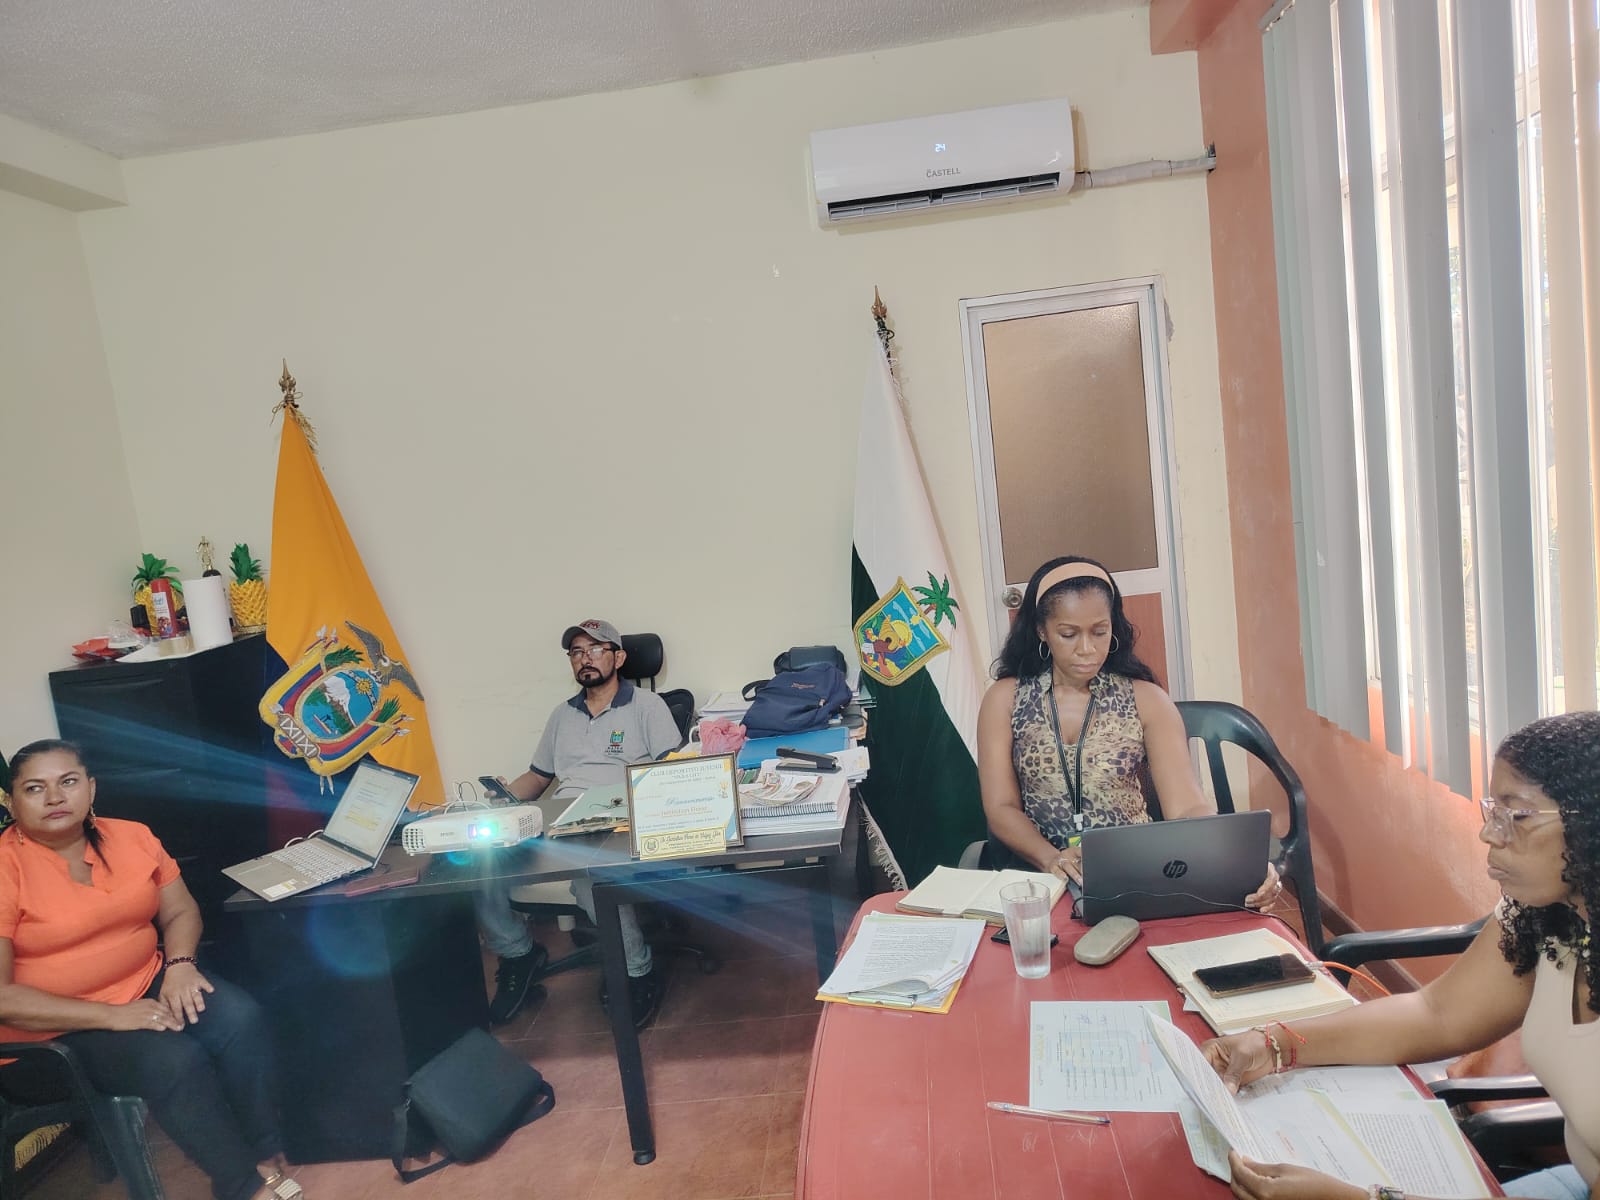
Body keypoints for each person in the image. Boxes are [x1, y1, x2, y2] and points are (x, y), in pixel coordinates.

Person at [1202, 711, 1599, 1200]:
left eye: (1516, 815)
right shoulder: (1555, 915)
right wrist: (1272, 1044)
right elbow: (1438, 1013)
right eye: (1492, 810)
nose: (1489, 835)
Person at [0, 740, 302, 1200]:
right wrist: (113, 1015)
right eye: (35, 788)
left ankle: (264, 1153)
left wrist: (179, 966)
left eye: (68, 782)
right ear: (10, 801)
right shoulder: (5, 867)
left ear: (91, 787)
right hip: (45, 1038)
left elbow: (180, 912)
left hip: (145, 983)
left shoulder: (132, 836)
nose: (55, 797)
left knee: (240, 1018)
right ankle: (241, 1186)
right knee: (173, 1060)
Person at [976, 555, 1278, 906]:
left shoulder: (1146, 699)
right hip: (1037, 877)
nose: (1087, 649)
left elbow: (1187, 807)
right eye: (1068, 634)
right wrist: (1051, 858)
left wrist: (1241, 862)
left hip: (1133, 874)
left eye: (1099, 632)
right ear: (1042, 631)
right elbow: (1001, 807)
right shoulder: (1006, 699)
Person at [474, 618, 683, 1027]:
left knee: (591, 875)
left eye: (596, 650)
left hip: (620, 821)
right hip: (562, 821)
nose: (585, 659)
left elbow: (671, 772)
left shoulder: (647, 707)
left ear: (618, 658)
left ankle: (635, 970)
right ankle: (519, 954)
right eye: (576, 652)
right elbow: (538, 777)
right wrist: (506, 797)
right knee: (480, 861)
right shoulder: (562, 715)